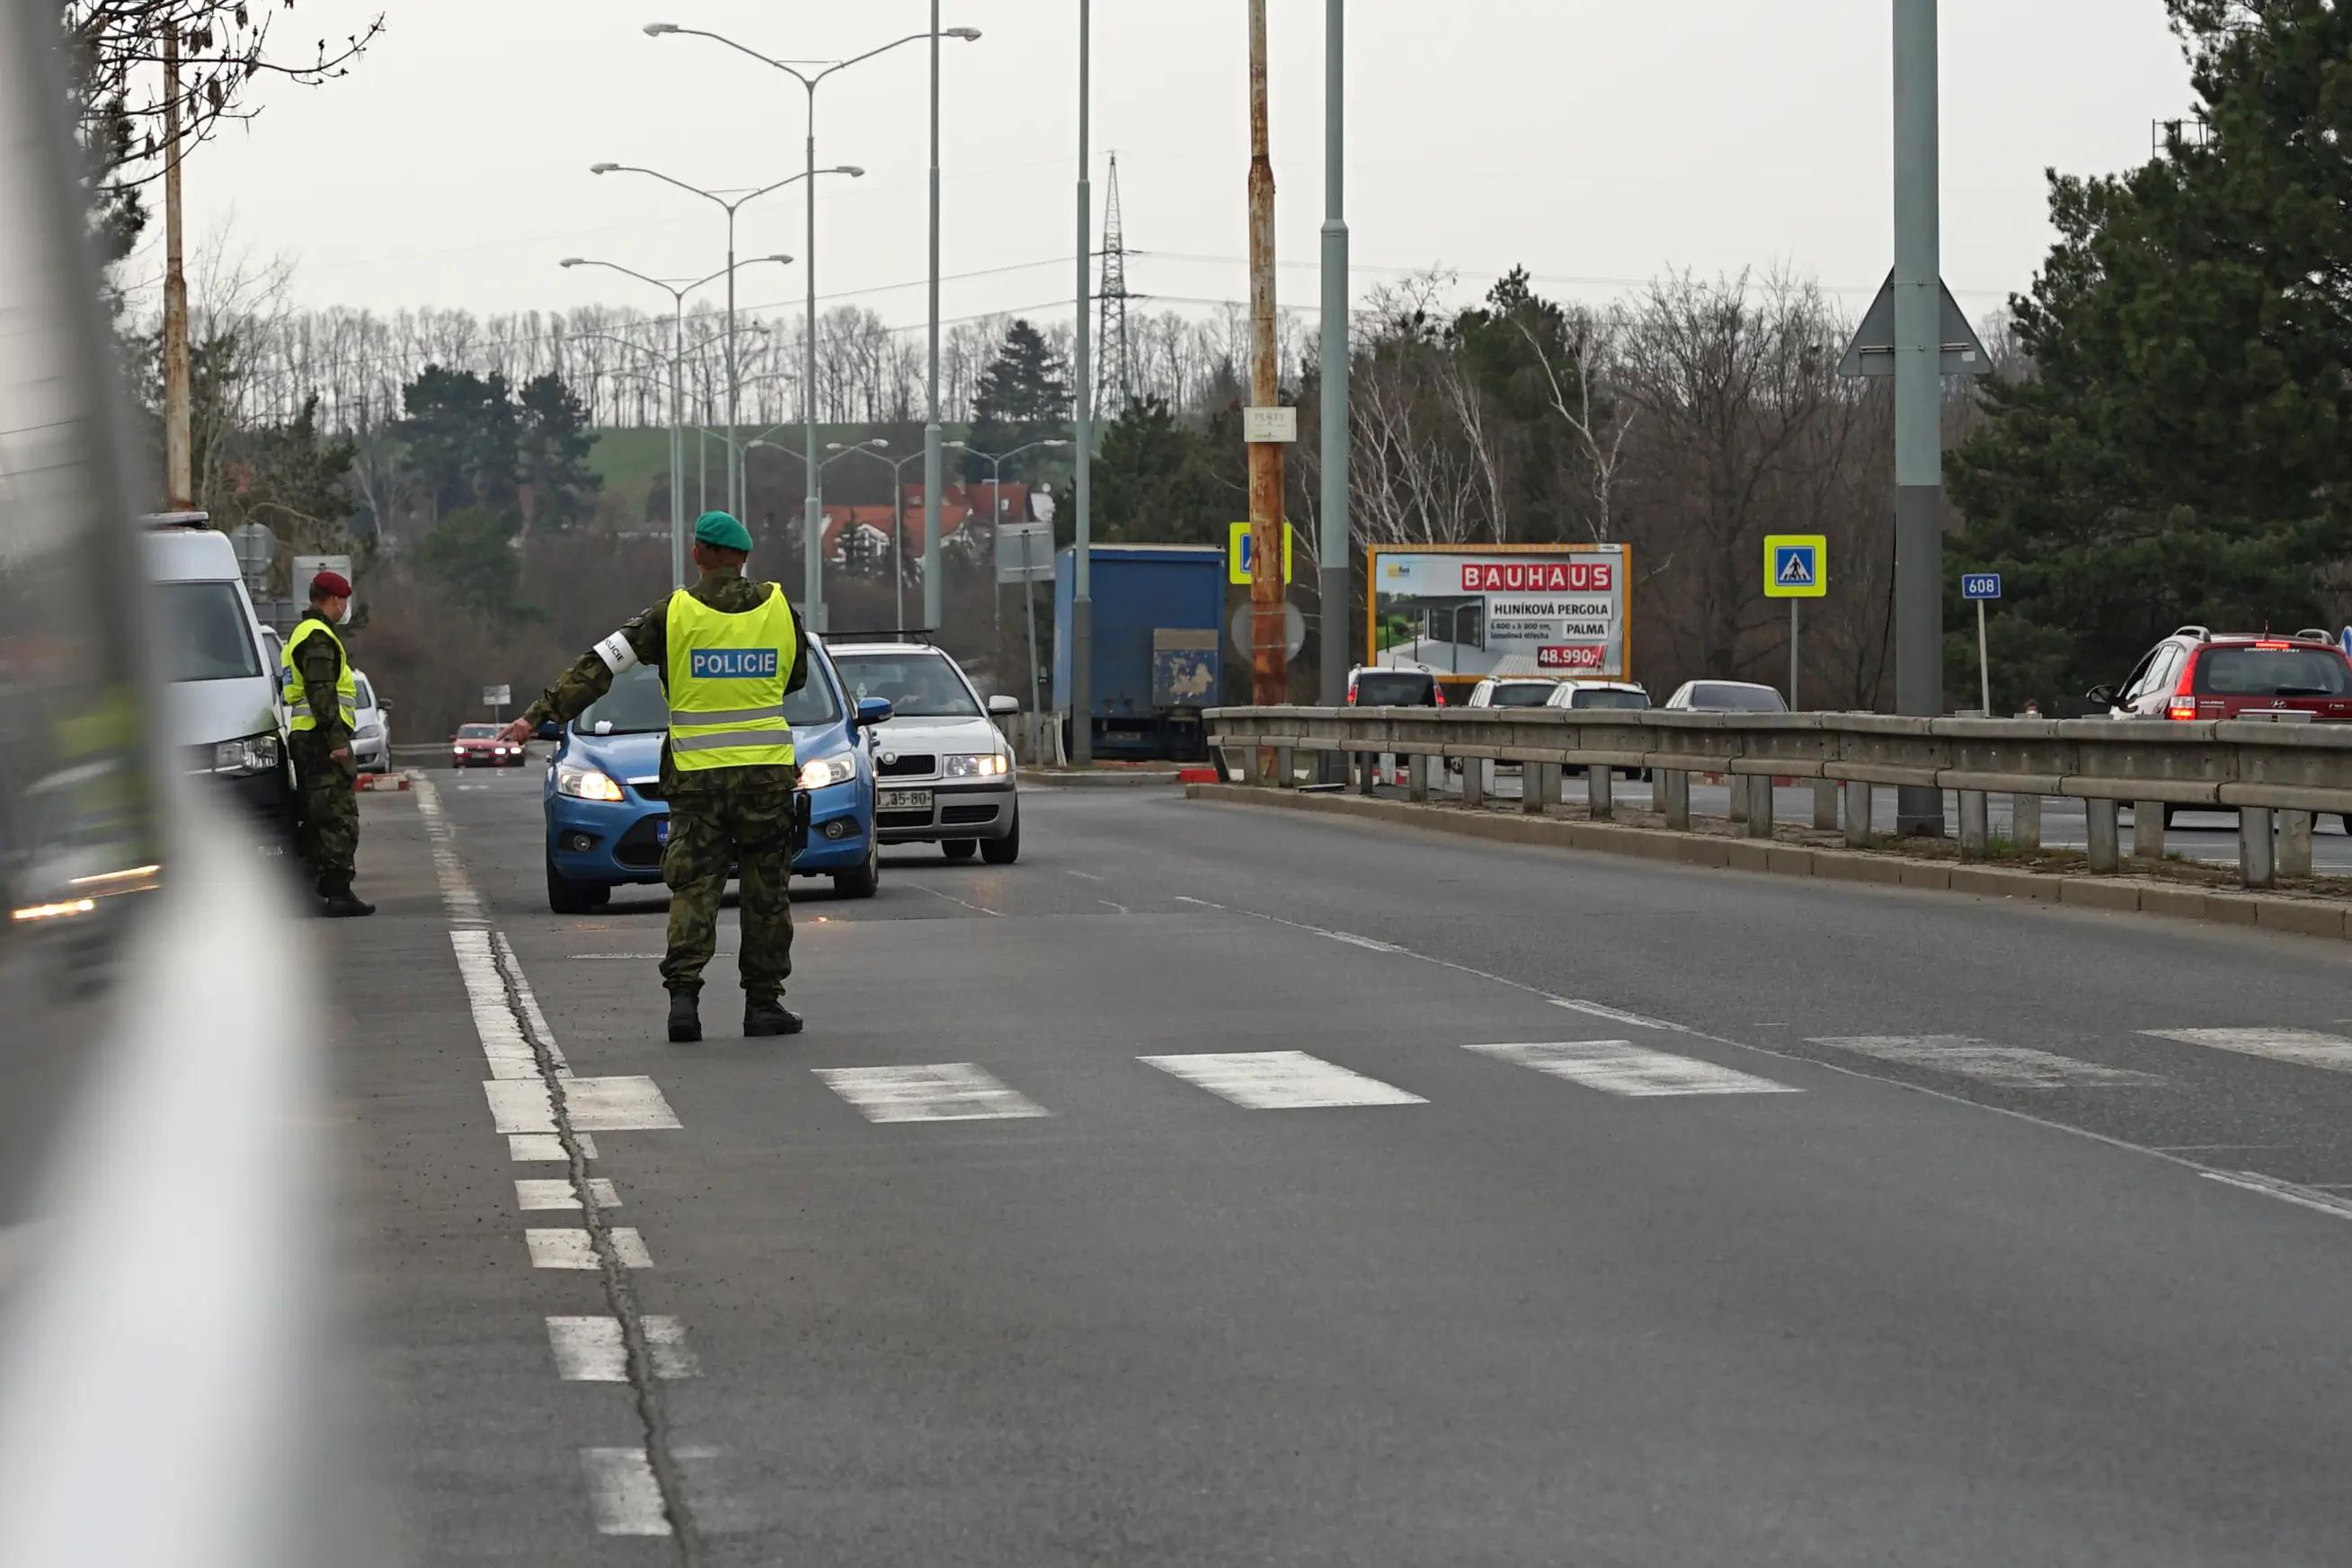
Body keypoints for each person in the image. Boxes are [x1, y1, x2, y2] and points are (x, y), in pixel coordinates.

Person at [502, 512, 808, 1043]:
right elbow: (796, 677)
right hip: (765, 778)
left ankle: (684, 1002)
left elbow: (600, 665)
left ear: (697, 554)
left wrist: (537, 716)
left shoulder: (672, 614)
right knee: (766, 894)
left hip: (697, 780)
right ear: (743, 558)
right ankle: (763, 1005)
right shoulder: (781, 609)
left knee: (694, 888)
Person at [280, 569, 373, 917]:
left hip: (308, 737)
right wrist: (336, 740)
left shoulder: (303, 632)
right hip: (320, 740)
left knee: (317, 814)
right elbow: (321, 691)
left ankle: (316, 890)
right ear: (334, 600)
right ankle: (338, 892)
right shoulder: (317, 637)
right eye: (343, 601)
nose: (345, 608)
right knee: (337, 816)